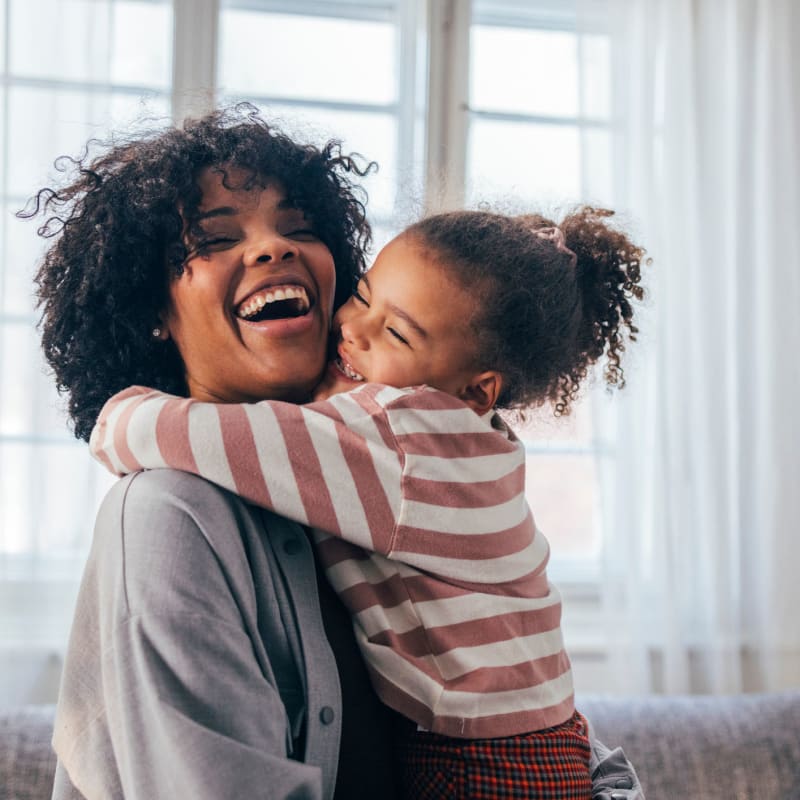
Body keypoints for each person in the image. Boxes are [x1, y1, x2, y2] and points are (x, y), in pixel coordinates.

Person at [89, 202, 647, 799]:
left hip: (481, 767)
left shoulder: (403, 439)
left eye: (396, 333)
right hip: (538, 747)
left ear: (474, 390)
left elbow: (179, 434)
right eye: (361, 296)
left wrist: (116, 412)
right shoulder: (458, 442)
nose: (352, 329)